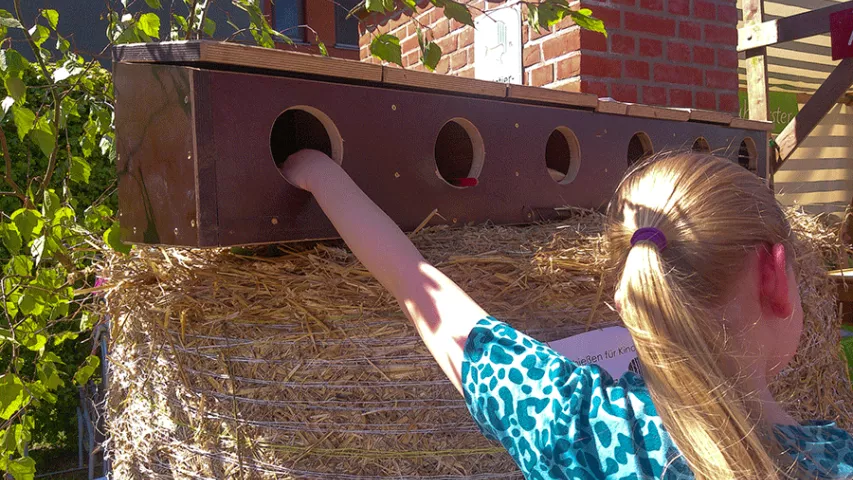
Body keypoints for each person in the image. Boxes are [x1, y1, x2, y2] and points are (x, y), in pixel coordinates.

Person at [279, 149, 853, 479]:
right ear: (776, 275)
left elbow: (416, 285)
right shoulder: (837, 458)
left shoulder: (576, 425)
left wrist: (317, 172)